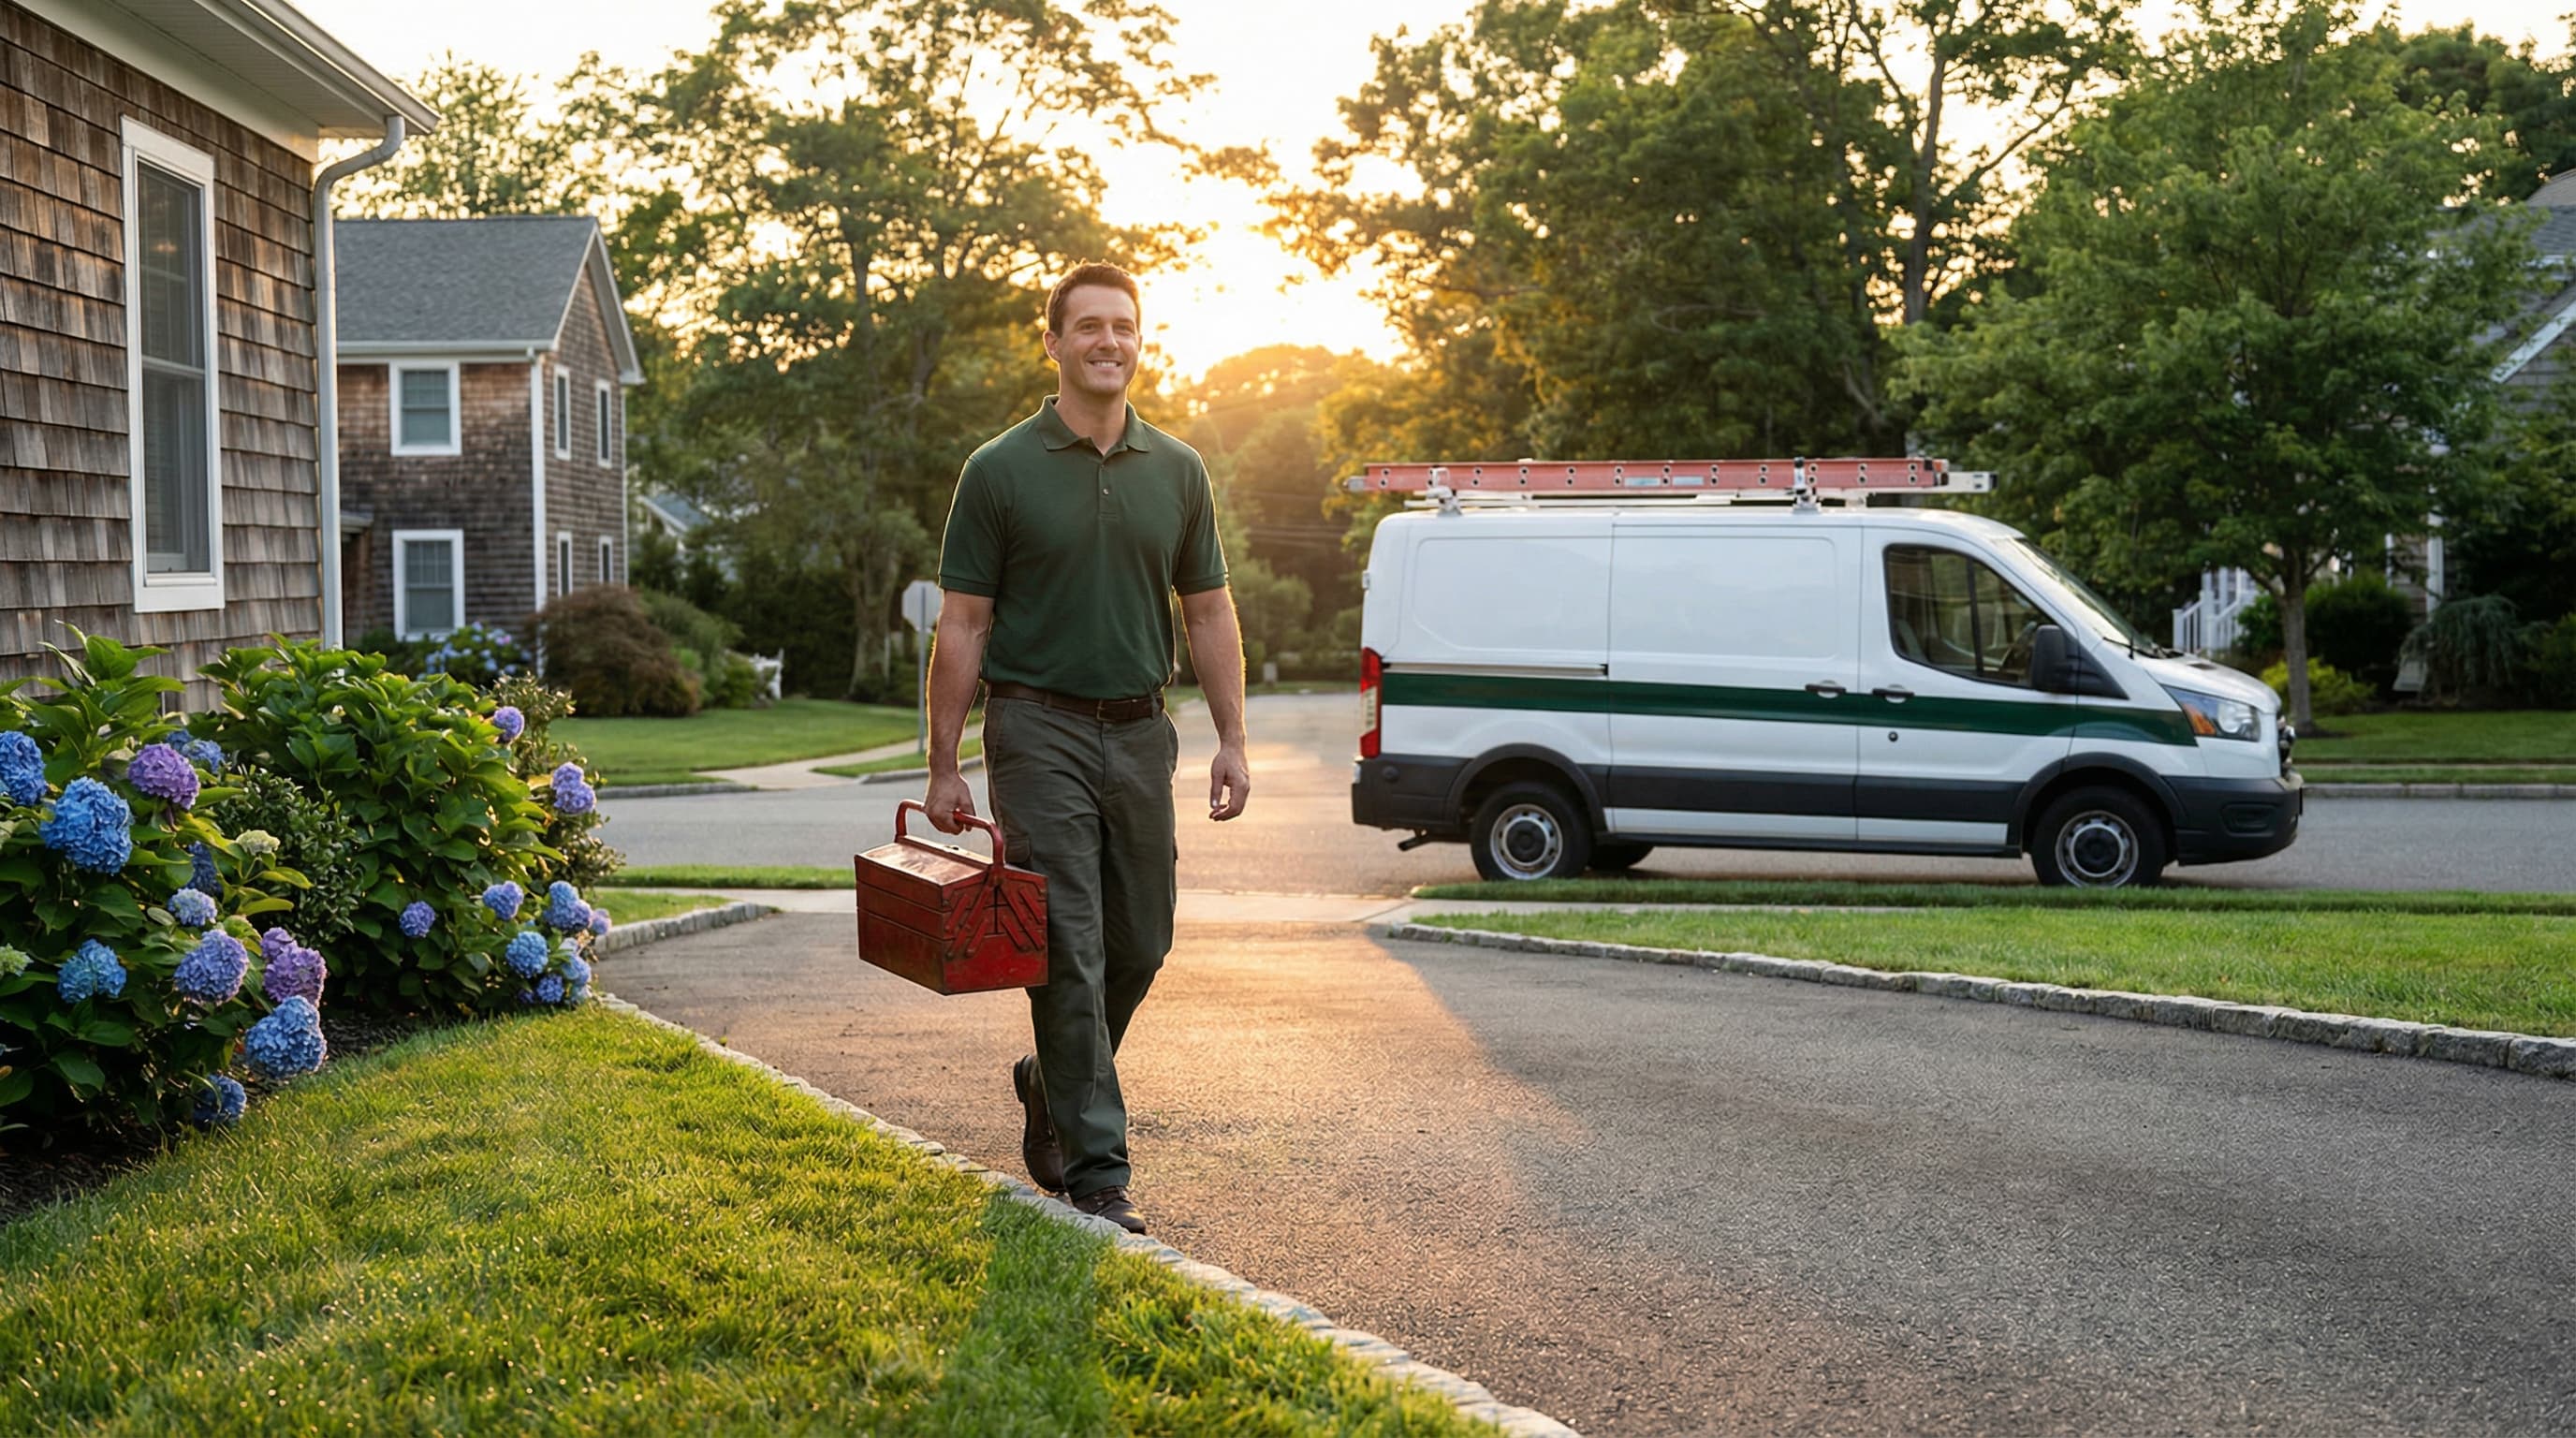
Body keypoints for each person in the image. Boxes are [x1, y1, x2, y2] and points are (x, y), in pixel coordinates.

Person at [920, 261, 1251, 1236]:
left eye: (1125, 327)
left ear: (1139, 343)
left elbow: (1209, 608)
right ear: (1054, 342)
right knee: (1067, 944)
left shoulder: (1179, 469)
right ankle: (1100, 1173)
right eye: (1090, 327)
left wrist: (1233, 737)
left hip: (1143, 730)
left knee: (1140, 940)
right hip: (1035, 728)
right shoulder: (999, 468)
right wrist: (943, 762)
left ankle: (1049, 1079)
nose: (1109, 342)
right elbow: (964, 623)